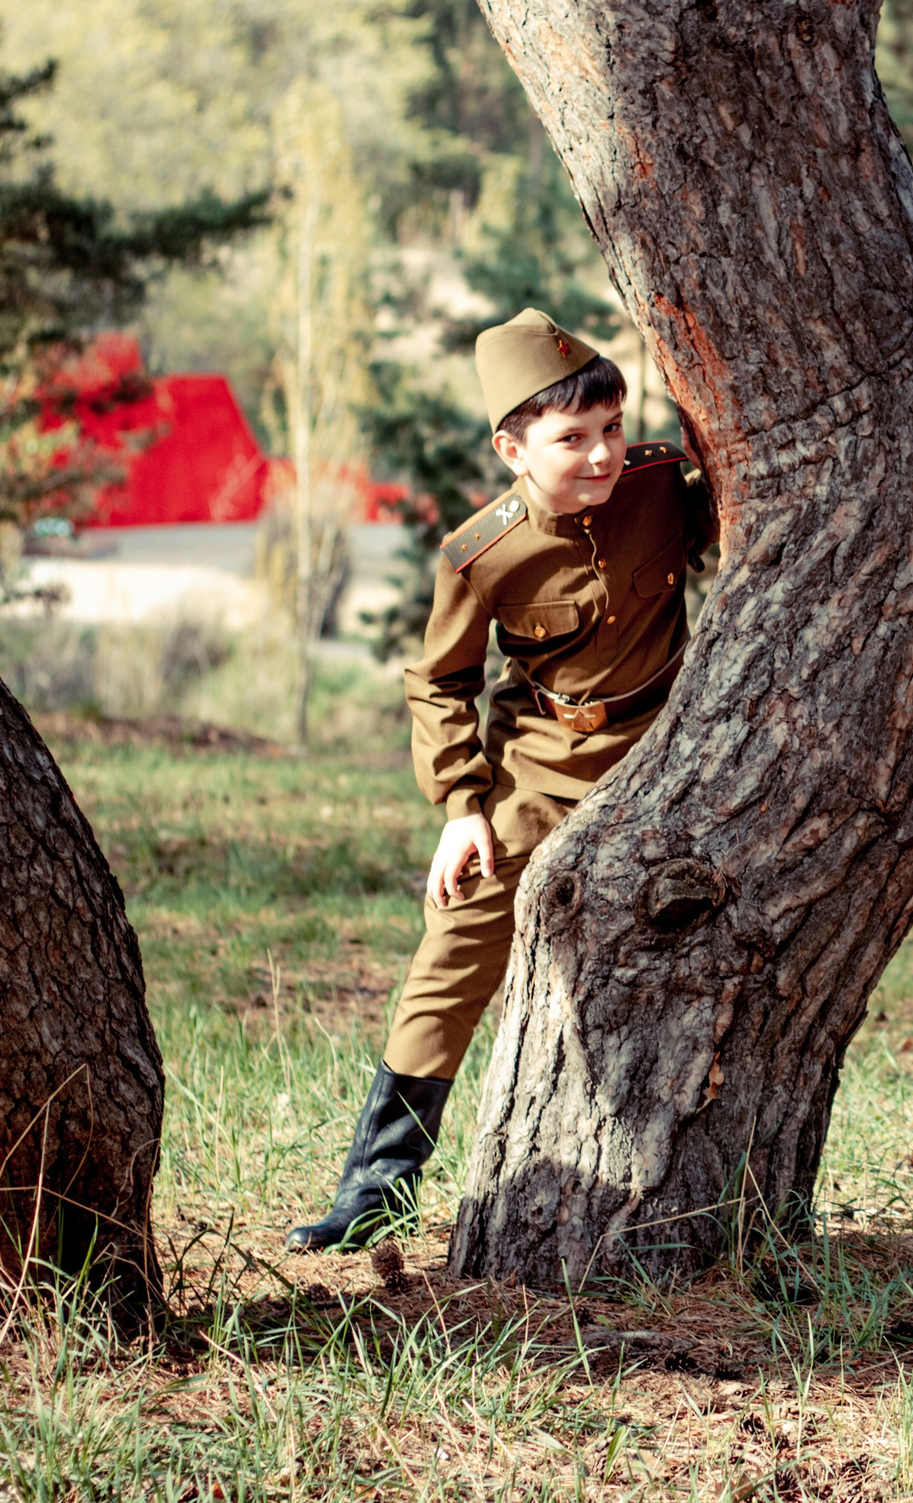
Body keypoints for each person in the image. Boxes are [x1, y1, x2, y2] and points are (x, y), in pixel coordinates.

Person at [288, 308, 714, 1253]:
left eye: (611, 428)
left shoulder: (657, 484)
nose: (602, 455)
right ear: (512, 449)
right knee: (455, 936)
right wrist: (463, 807)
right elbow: (439, 683)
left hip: (674, 751)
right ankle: (379, 1182)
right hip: (543, 766)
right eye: (572, 440)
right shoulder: (482, 556)